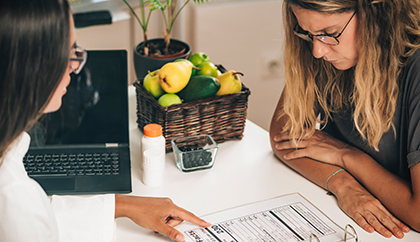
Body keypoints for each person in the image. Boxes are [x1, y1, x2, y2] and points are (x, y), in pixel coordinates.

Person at [0, 0, 210, 241]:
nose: (75, 67)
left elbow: (43, 216)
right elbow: (29, 220)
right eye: (68, 53)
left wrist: (124, 206)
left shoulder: (10, 166)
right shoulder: (11, 195)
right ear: (31, 66)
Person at [270, 0, 420, 239]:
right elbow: (284, 135)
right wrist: (341, 183)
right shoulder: (326, 50)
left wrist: (347, 156)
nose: (317, 52)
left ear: (378, 14)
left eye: (329, 33)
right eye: (307, 33)